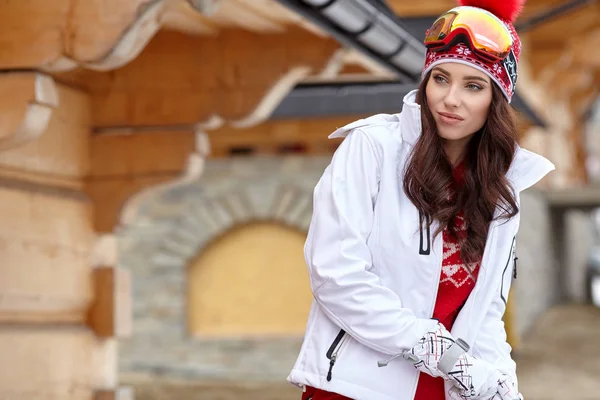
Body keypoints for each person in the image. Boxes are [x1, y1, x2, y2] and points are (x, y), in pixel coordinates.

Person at [287, 0, 555, 399]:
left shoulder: (501, 190)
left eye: (473, 86)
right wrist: (439, 351)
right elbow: (336, 275)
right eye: (441, 78)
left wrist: (501, 383)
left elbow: (484, 314)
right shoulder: (372, 148)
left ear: (496, 101)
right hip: (353, 389)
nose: (450, 99)